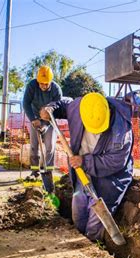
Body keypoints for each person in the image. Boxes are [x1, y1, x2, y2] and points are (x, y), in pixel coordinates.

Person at [41, 92, 133, 241]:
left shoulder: (121, 132)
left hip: (109, 178)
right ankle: (77, 236)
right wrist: (52, 108)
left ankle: (92, 244)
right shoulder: (80, 107)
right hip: (81, 172)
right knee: (78, 208)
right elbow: (65, 103)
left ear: (108, 112)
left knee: (95, 220)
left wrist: (85, 161)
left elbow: (115, 162)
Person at [22, 66, 62, 185]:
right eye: (41, 83)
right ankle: (35, 172)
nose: (43, 86)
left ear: (50, 81)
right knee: (34, 146)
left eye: (46, 84)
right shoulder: (32, 86)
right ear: (38, 81)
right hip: (35, 118)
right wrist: (34, 120)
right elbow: (26, 103)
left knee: (50, 146)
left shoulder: (56, 89)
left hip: (50, 120)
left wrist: (46, 120)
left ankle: (48, 171)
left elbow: (59, 106)